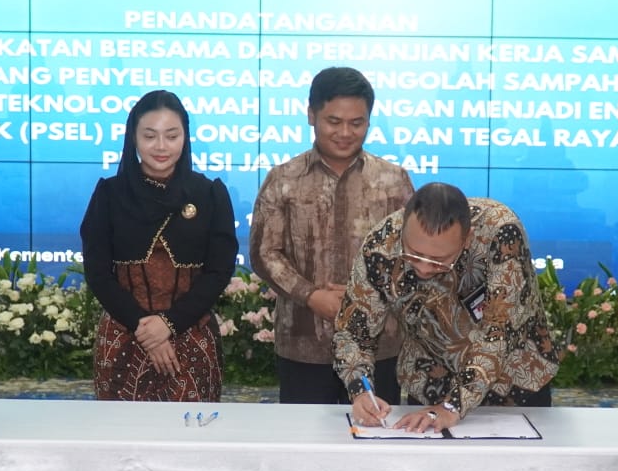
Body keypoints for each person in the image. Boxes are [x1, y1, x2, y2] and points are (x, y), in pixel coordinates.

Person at [334, 182, 559, 432]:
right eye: (414, 254)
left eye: (438, 261)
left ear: (467, 239)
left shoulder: (500, 231)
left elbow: (499, 332)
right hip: (431, 379)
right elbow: (354, 331)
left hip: (513, 382)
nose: (423, 268)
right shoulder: (380, 245)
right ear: (403, 230)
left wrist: (452, 406)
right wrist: (360, 391)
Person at [250, 66, 414, 405]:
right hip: (304, 343)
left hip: (378, 343)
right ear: (312, 115)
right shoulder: (284, 180)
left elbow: (413, 256)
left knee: (377, 432)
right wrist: (313, 296)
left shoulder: (394, 181)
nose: (345, 133)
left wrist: (366, 299)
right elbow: (265, 253)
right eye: (334, 121)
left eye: (357, 123)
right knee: (304, 435)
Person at [80, 90, 237, 401]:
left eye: (172, 135)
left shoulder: (209, 194)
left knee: (192, 428)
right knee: (121, 431)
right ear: (133, 138)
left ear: (185, 137)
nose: (161, 146)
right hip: (124, 336)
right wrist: (145, 329)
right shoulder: (110, 194)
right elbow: (97, 272)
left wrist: (169, 324)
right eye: (150, 136)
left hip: (191, 336)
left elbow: (219, 271)